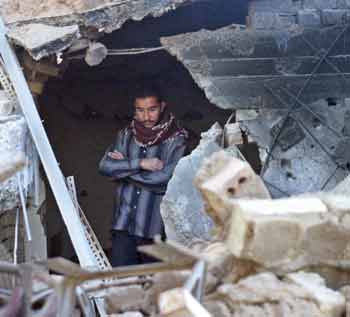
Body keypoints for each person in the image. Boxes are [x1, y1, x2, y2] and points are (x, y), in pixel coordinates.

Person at [99, 86, 187, 267]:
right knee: (123, 285)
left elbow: (165, 180)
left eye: (152, 109)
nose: (146, 116)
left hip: (156, 231)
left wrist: (123, 171)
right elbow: (105, 166)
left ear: (162, 106)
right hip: (122, 226)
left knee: (156, 288)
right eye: (140, 110)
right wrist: (141, 164)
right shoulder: (126, 135)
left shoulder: (177, 139)